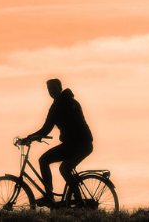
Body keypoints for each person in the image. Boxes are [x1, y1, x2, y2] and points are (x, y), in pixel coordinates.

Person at [23, 78, 94, 207]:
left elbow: (48, 129)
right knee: (44, 160)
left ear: (60, 88)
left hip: (82, 144)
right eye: (49, 89)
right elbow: (46, 128)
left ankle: (79, 201)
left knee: (64, 168)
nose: (52, 91)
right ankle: (49, 197)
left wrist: (32, 137)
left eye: (54, 88)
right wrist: (31, 137)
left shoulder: (68, 104)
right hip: (70, 145)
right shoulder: (57, 105)